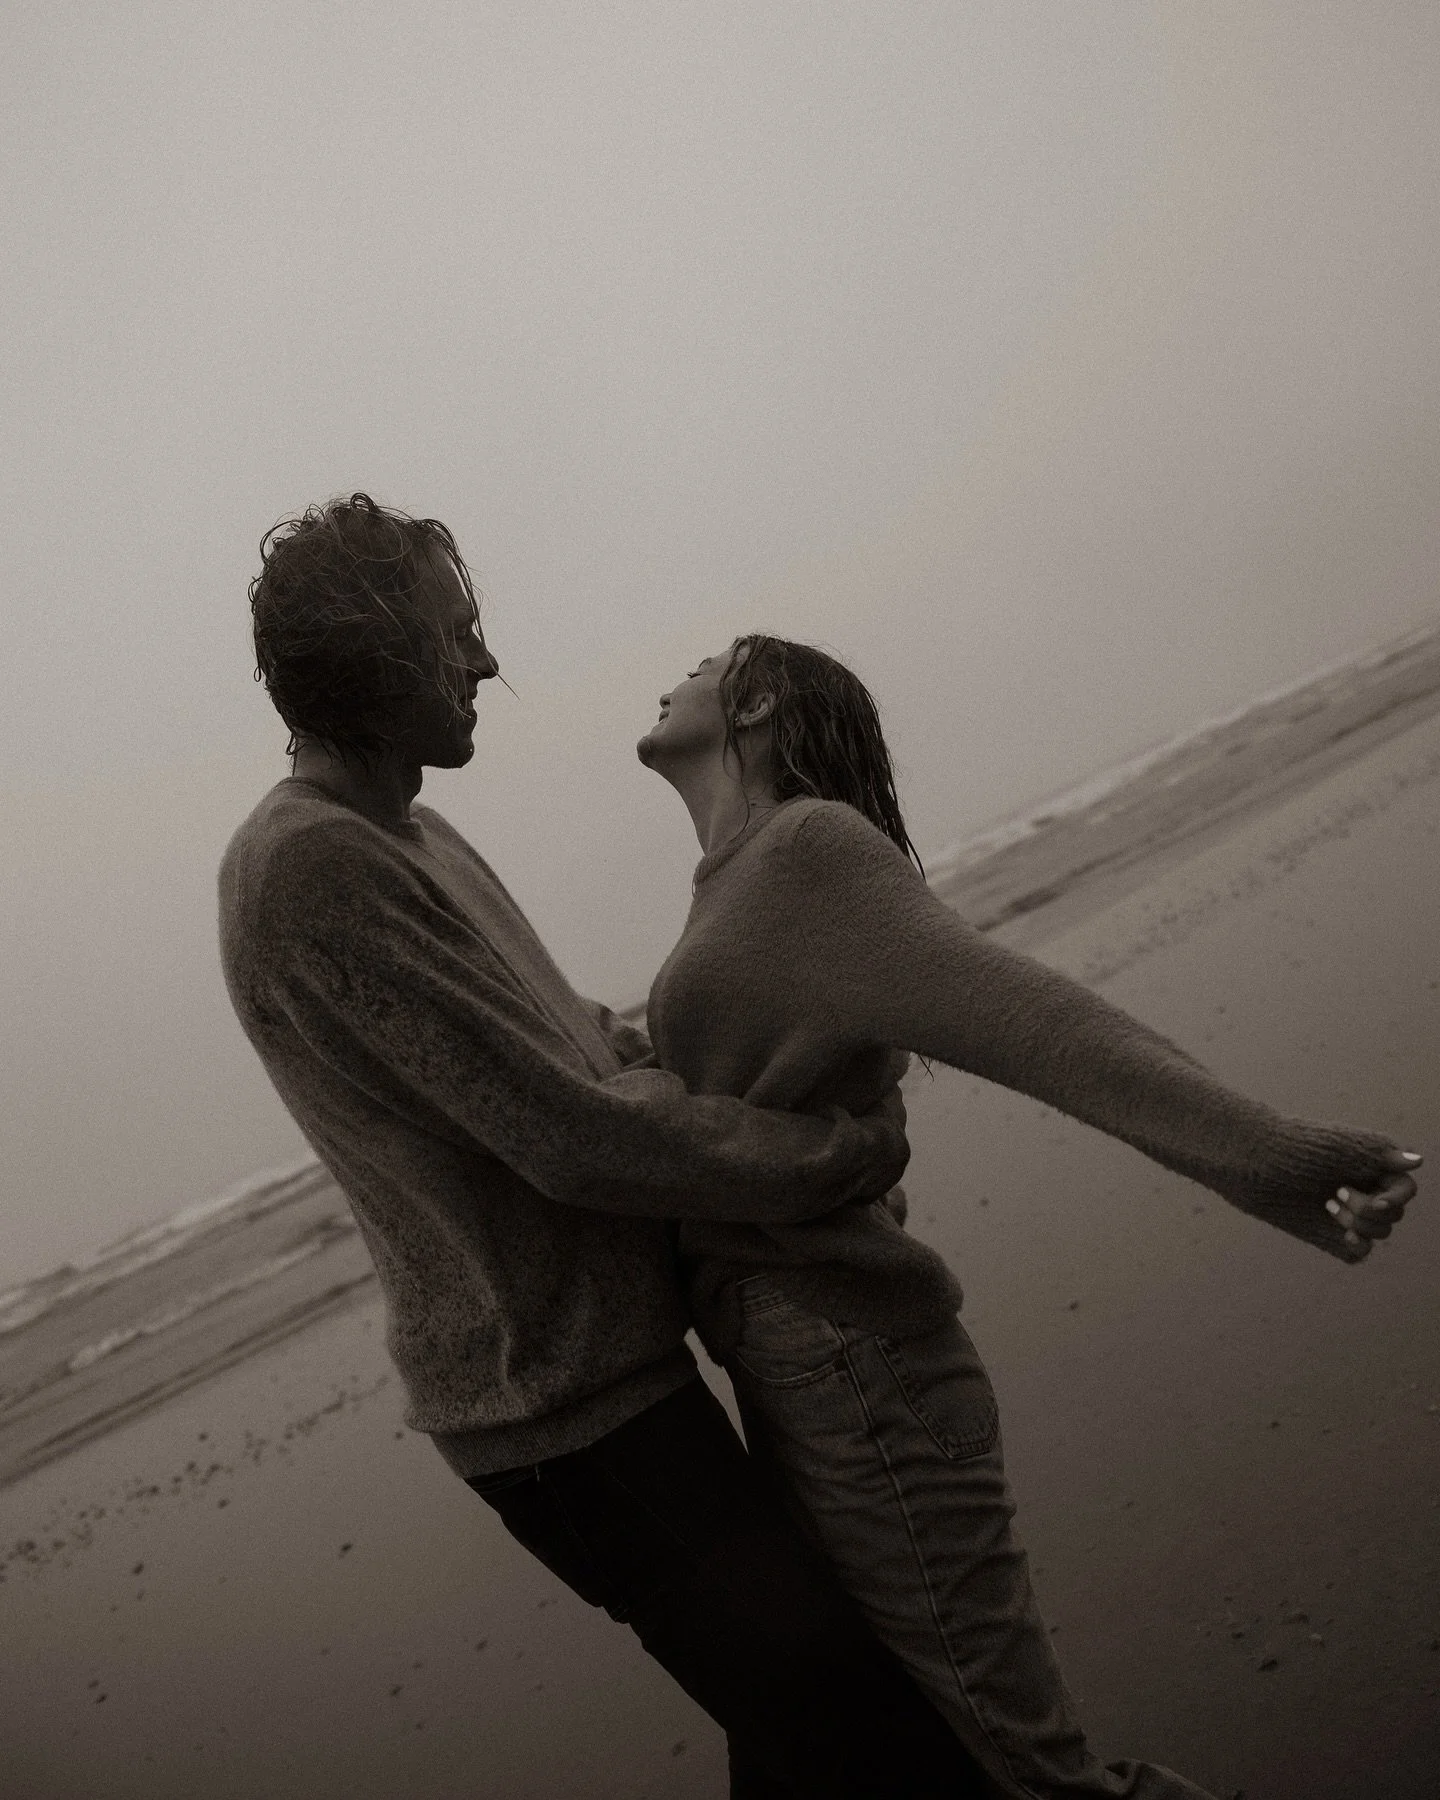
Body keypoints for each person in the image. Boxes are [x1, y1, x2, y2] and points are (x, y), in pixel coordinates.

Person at [219, 495, 991, 1798]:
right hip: (566, 1421)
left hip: (617, 1375)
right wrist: (831, 1157)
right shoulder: (309, 873)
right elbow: (568, 1140)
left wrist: (743, 1046)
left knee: (808, 1734)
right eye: (456, 634)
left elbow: (575, 1044)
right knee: (878, 1741)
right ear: (375, 660)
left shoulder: (403, 829)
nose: (484, 664)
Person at [635, 633, 1422, 1800]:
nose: (672, 673)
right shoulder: (738, 882)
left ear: (751, 702)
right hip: (804, 1363)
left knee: (1024, 1775)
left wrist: (1270, 1154)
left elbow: (1036, 1022)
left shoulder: (807, 852)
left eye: (702, 660)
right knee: (885, 1750)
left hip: (859, 1366)